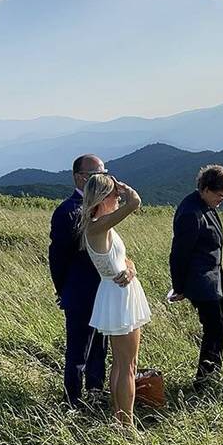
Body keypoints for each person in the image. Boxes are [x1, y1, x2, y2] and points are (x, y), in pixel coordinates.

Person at [80, 174, 151, 426]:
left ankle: (120, 418)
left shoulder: (103, 226)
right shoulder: (97, 225)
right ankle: (127, 425)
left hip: (118, 291)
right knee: (128, 364)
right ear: (101, 198)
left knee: (121, 364)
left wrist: (130, 269)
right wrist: (125, 187)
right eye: (113, 194)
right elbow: (135, 202)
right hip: (117, 296)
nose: (118, 197)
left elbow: (124, 259)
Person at [49, 154, 109, 407]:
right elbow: (57, 257)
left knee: (100, 348)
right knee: (78, 352)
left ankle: (95, 393)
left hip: (103, 292)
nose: (102, 180)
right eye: (97, 175)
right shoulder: (67, 211)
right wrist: (64, 289)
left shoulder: (101, 209)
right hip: (80, 292)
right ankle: (72, 402)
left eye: (104, 174)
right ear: (79, 177)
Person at [168, 165, 223, 391]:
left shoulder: (206, 205)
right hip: (201, 282)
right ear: (205, 189)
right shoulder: (189, 213)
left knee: (220, 327)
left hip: (216, 279)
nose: (221, 200)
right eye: (219, 195)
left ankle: (213, 374)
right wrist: (179, 287)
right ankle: (204, 381)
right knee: (213, 329)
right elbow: (179, 253)